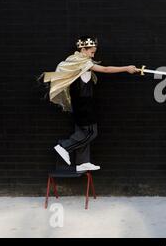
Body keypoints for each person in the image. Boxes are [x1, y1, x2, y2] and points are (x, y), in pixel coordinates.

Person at [41, 36, 139, 172]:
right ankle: (64, 146)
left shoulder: (73, 61)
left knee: (82, 132)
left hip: (79, 103)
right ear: (83, 50)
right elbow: (105, 70)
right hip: (83, 104)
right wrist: (126, 68)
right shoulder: (82, 62)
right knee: (91, 133)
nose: (93, 55)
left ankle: (82, 162)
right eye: (91, 52)